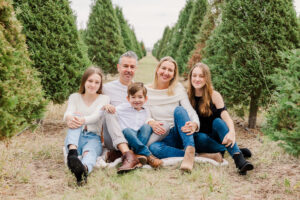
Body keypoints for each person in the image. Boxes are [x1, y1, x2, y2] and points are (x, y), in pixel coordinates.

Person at [147, 56, 222, 172]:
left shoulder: (177, 89)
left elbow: (190, 111)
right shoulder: (147, 91)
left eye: (170, 70)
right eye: (164, 68)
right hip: (163, 136)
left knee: (179, 110)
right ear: (157, 69)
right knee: (154, 148)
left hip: (179, 131)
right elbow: (144, 114)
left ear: (173, 74)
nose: (166, 72)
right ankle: (198, 156)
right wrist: (151, 122)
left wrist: (195, 125)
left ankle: (189, 150)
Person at [187, 62, 254, 175]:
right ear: (190, 77)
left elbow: (225, 116)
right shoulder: (187, 97)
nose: (197, 79)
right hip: (201, 140)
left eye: (201, 76)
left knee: (218, 121)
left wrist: (232, 132)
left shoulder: (214, 95)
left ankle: (239, 159)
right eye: (194, 75)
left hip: (217, 137)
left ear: (206, 78)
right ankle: (229, 149)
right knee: (199, 137)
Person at [64, 67, 110, 185]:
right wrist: (70, 118)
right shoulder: (74, 97)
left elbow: (96, 116)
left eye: (97, 82)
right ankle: (72, 154)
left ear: (100, 85)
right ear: (84, 81)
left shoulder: (104, 99)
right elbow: (67, 113)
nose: (93, 85)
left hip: (93, 137)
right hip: (74, 138)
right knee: (74, 114)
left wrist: (82, 119)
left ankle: (83, 170)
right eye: (90, 81)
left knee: (90, 153)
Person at [102, 51, 142, 174]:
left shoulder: (140, 90)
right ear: (118, 67)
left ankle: (121, 154)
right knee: (109, 111)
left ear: (136, 69)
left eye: (132, 67)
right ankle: (127, 154)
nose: (128, 70)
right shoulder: (106, 88)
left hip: (133, 135)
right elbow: (97, 111)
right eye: (125, 66)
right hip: (113, 137)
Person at [117, 82, 163, 168]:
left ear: (145, 99)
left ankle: (136, 154)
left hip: (141, 137)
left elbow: (148, 120)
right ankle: (148, 155)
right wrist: (107, 106)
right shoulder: (122, 108)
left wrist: (151, 122)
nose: (137, 100)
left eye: (140, 97)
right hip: (129, 138)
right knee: (127, 130)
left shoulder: (146, 110)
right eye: (133, 97)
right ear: (128, 98)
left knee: (147, 127)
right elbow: (110, 112)